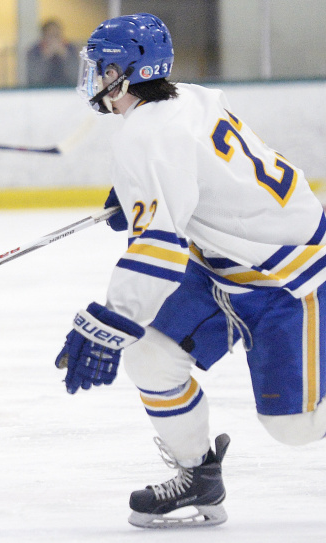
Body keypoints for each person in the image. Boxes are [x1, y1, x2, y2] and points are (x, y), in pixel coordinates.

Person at [55, 13, 326, 529]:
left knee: (296, 427)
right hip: (225, 263)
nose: (94, 77)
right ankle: (198, 476)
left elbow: (159, 253)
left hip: (288, 276)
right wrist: (146, 193)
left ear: (129, 73)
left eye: (104, 66)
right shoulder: (191, 96)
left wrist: (110, 323)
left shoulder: (146, 138)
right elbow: (202, 168)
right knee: (151, 356)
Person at [26, 19, 79, 87]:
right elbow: (34, 79)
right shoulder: (34, 51)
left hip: (66, 89)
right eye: (50, 35)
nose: (54, 40)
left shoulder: (71, 49)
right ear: (43, 36)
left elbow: (76, 77)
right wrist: (45, 57)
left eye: (56, 35)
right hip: (41, 91)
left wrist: (65, 56)